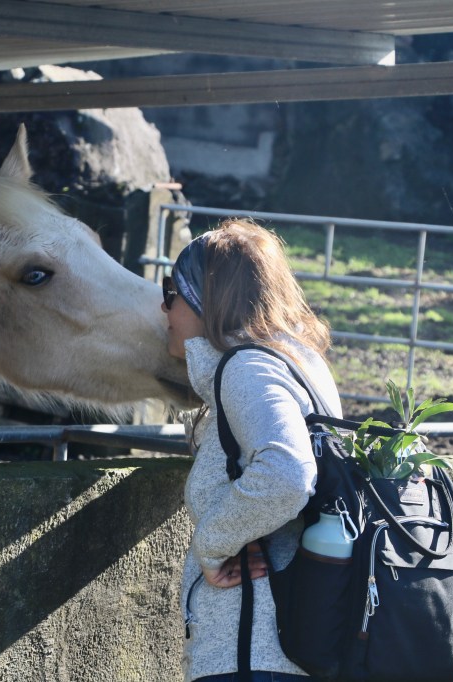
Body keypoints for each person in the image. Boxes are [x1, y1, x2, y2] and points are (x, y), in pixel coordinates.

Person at [163, 218, 343, 682]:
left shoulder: (248, 370)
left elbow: (287, 473)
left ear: (204, 300)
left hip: (253, 656)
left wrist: (212, 545)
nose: (164, 308)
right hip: (285, 649)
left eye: (171, 292)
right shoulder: (299, 362)